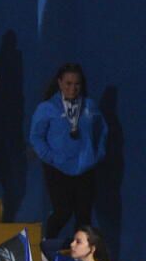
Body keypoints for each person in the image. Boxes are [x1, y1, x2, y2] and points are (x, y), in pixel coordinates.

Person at [29, 63, 107, 248]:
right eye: (68, 83)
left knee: (83, 215)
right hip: (58, 168)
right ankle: (47, 245)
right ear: (59, 83)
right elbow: (36, 136)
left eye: (77, 84)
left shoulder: (89, 106)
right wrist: (51, 157)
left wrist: (96, 155)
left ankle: (81, 253)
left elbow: (102, 131)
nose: (73, 88)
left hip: (84, 167)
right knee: (63, 211)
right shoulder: (48, 108)